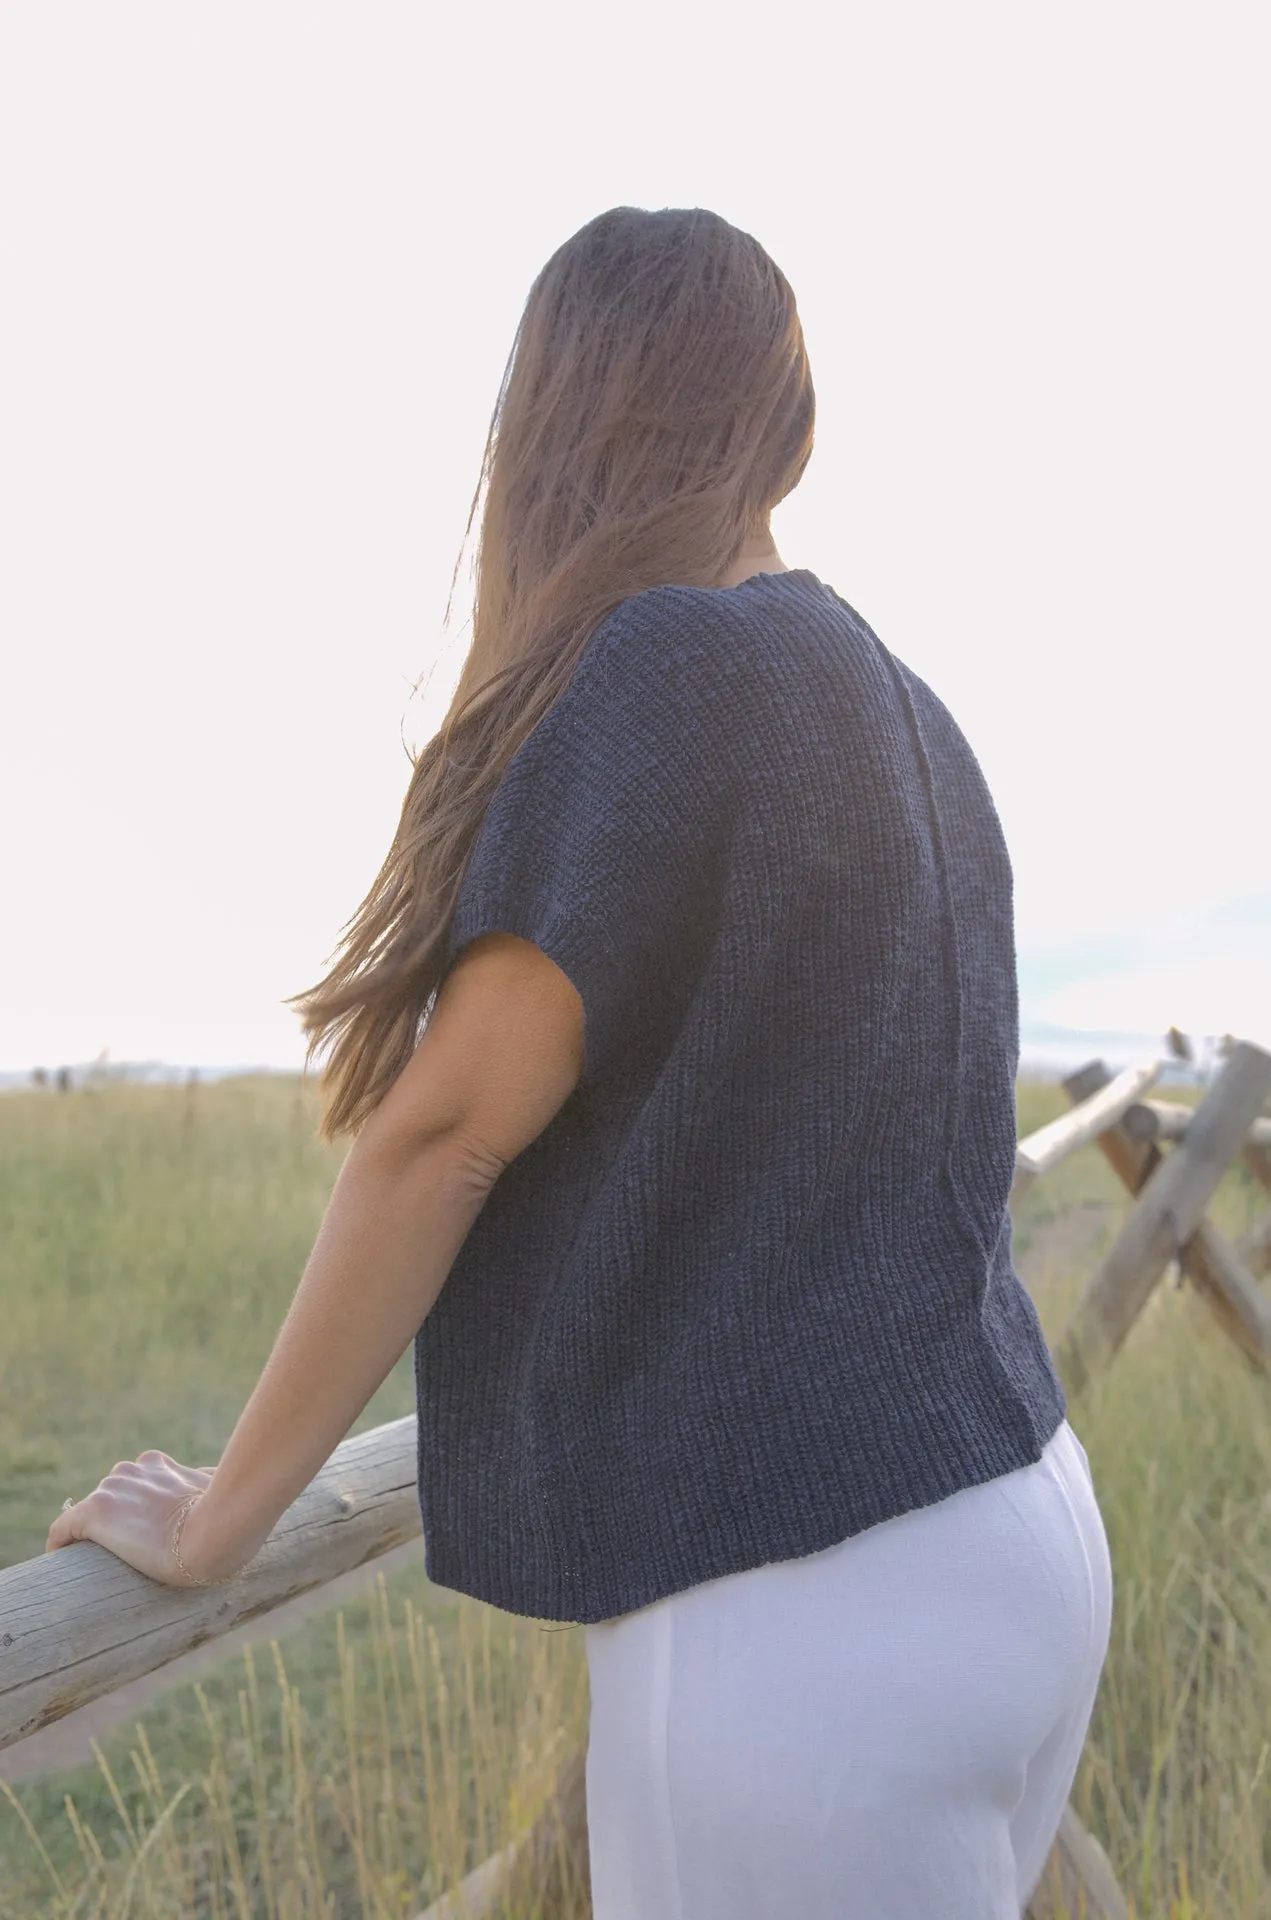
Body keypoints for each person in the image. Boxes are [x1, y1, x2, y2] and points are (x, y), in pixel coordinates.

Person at [46, 205, 1113, 1918]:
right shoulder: (911, 705)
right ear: (786, 418)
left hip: (803, 1606)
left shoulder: (670, 669)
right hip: (1020, 1530)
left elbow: (444, 1135)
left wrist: (221, 1517)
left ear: (558, 410)